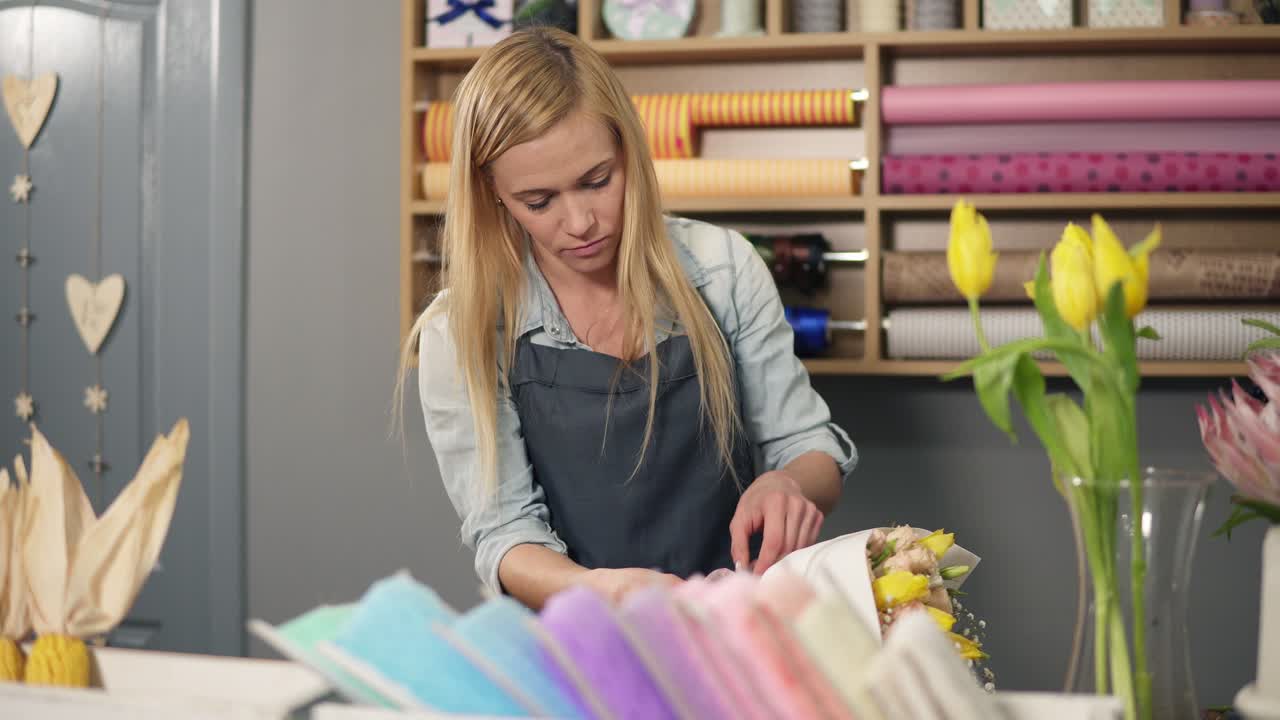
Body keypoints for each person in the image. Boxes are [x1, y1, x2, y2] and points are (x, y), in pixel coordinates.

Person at [395, 27, 856, 610]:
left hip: (736, 626)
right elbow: (504, 534)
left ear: (629, 150)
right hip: (574, 644)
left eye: (597, 180)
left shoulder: (723, 270)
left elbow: (807, 445)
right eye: (539, 202)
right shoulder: (462, 330)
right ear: (494, 194)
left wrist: (788, 483)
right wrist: (602, 591)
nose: (581, 221)